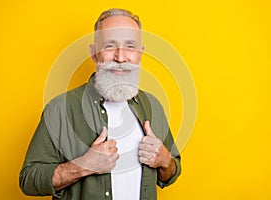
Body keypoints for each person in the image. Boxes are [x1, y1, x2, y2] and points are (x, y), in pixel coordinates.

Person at [19, 8, 181, 200]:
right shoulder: (61, 108)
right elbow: (28, 180)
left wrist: (164, 161)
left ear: (140, 53)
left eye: (130, 46)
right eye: (110, 46)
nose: (120, 58)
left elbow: (172, 172)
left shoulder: (152, 105)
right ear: (94, 53)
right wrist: (83, 166)